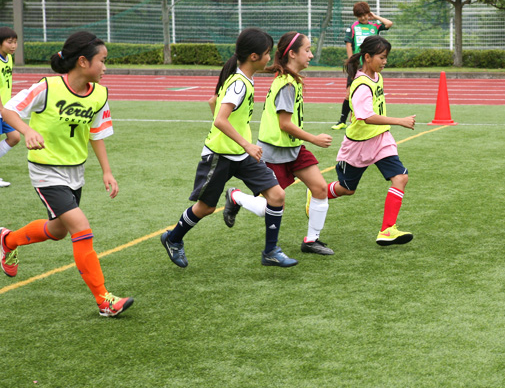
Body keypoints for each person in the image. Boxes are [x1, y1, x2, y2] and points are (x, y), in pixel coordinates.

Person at [0, 31, 134, 317]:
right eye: (103, 61)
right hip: (45, 171)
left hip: (75, 171)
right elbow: (8, 111)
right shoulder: (46, 88)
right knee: (81, 228)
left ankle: (7, 241)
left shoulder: (99, 93)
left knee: (59, 230)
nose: (105, 67)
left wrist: (107, 172)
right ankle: (104, 300)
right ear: (83, 61)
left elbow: (96, 134)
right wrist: (27, 130)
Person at [161, 28, 298, 268]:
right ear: (253, 56)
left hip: (241, 154)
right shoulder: (239, 84)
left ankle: (270, 252)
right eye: (267, 53)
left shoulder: (243, 75)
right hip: (220, 155)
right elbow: (220, 119)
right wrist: (245, 142)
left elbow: (213, 101)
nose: (270, 58)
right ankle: (173, 239)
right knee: (206, 208)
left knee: (277, 195)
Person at [223, 32, 335, 255]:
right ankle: (235, 196)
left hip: (292, 148)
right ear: (292, 54)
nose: (311, 55)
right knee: (271, 207)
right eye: (307, 50)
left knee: (320, 188)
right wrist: (314, 138)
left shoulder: (291, 79)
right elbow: (284, 124)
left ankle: (311, 241)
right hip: (274, 152)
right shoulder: (287, 84)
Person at [320, 35, 416, 246]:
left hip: (381, 140)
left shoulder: (377, 77)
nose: (385, 61)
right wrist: (399, 121)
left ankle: (387, 230)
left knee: (400, 177)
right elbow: (366, 116)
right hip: (358, 146)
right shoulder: (362, 84)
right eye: (381, 57)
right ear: (367, 57)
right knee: (347, 189)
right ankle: (318, 193)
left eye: (386, 57)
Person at [332, 1, 393, 130]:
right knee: (348, 93)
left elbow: (389, 24)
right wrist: (351, 61)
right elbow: (348, 44)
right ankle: (342, 120)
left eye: (365, 15)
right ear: (356, 16)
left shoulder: (374, 26)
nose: (363, 18)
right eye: (360, 16)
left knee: (372, 92)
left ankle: (371, 116)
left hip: (370, 67)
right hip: (357, 66)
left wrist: (375, 16)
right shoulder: (353, 27)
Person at [0, 27, 20, 187]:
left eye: (15, 42)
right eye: (9, 42)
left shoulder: (9, 59)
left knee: (15, 137)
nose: (13, 46)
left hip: (5, 109)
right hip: (1, 109)